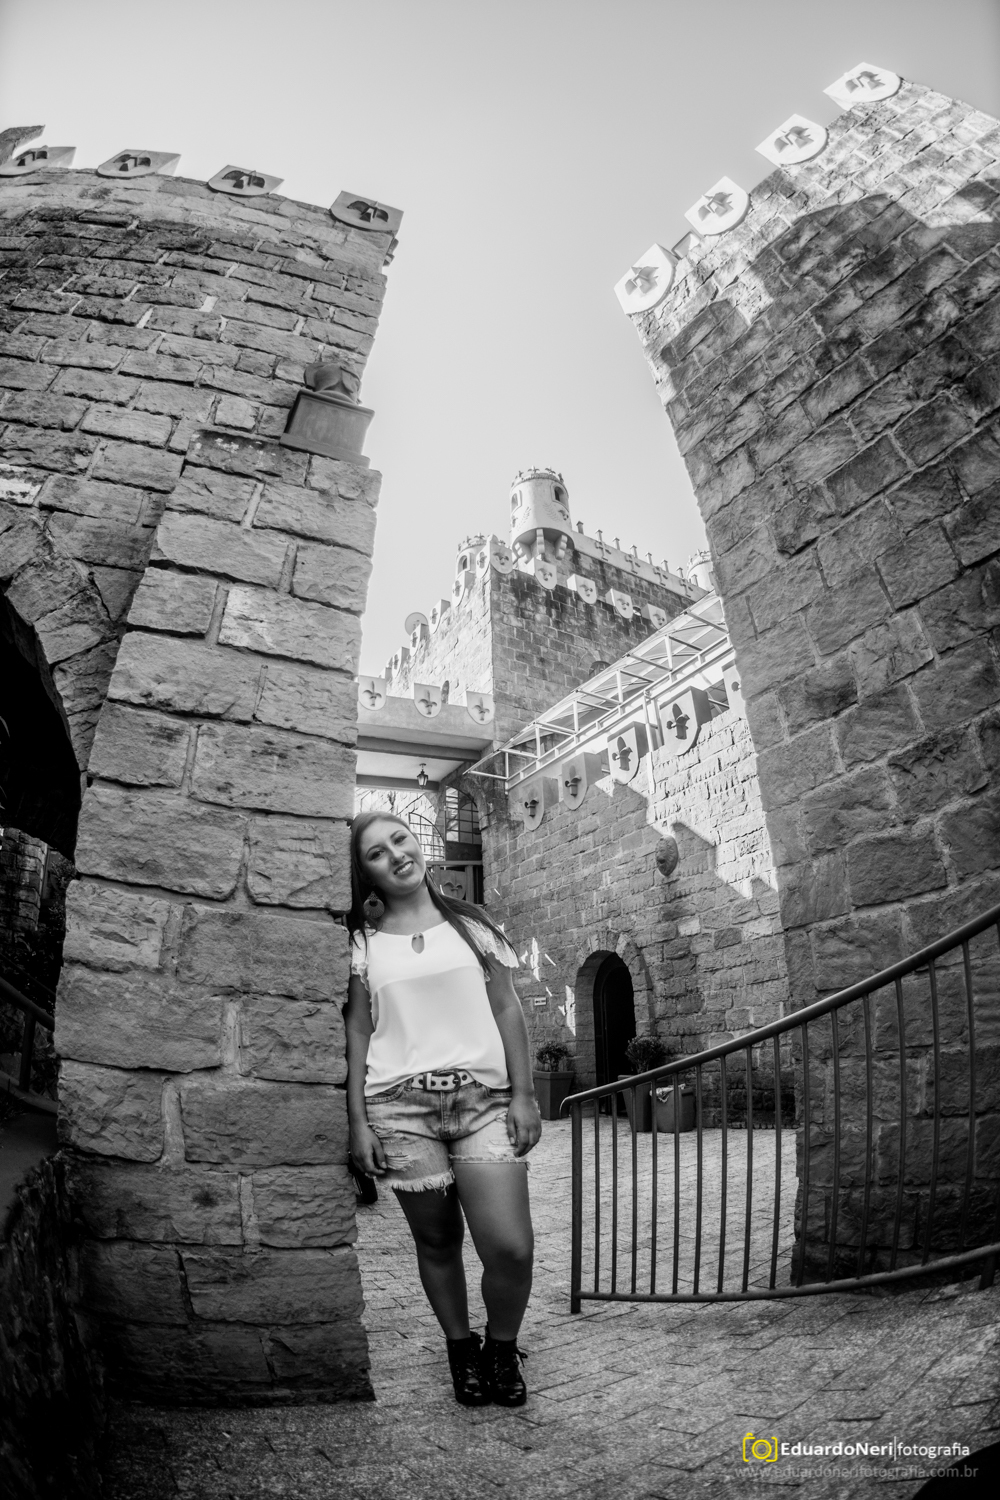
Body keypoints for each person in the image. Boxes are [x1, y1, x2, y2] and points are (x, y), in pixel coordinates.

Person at [344, 810, 542, 1407]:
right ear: (367, 874)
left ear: (417, 843)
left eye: (400, 839)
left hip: (484, 1102)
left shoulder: (472, 925)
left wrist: (525, 1094)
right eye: (377, 853)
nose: (395, 855)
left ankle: (502, 1348)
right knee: (437, 1242)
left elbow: (507, 1008)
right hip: (398, 1109)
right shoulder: (362, 944)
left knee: (509, 1247)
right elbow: (359, 1031)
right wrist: (357, 1121)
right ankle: (461, 1349)